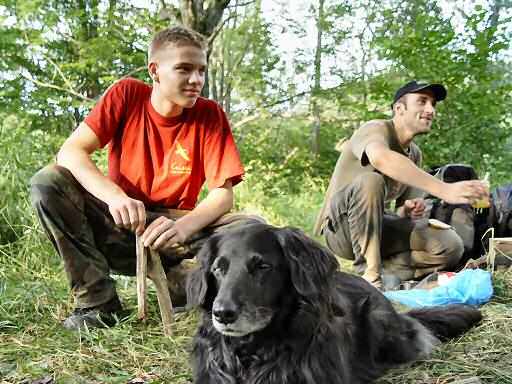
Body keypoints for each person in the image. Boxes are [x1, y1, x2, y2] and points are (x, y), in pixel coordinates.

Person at [30, 26, 262, 330]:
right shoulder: (127, 94)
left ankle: (190, 283)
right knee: (48, 181)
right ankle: (98, 303)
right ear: (155, 71)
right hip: (120, 224)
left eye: (201, 71)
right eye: (184, 69)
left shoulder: (209, 114)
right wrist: (114, 196)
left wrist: (181, 228)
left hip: (173, 230)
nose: (196, 80)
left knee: (252, 229)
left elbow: (223, 194)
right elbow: (71, 151)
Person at [314, 80, 489, 290]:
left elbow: (400, 212)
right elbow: (381, 158)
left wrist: (408, 210)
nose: (430, 110)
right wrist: (445, 189)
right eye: (422, 102)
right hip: (340, 230)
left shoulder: (414, 154)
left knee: (450, 245)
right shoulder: (375, 129)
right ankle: (370, 277)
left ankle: (387, 274)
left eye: (433, 104)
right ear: (399, 108)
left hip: (379, 228)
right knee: (371, 181)